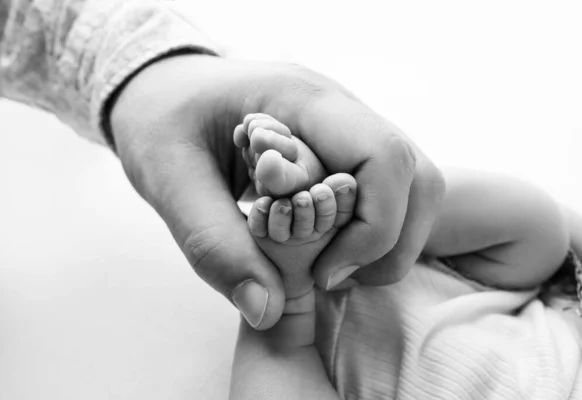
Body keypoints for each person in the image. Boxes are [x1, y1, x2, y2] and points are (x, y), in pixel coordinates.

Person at [0, 0, 444, 330]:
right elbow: (515, 225)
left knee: (391, 214)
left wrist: (142, 73)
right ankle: (305, 210)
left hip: (350, 304)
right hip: (419, 286)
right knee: (410, 212)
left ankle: (299, 228)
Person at [230, 114, 582, 399]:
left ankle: (287, 293)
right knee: (540, 223)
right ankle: (372, 213)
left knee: (279, 354)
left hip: (316, 361)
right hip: (489, 296)